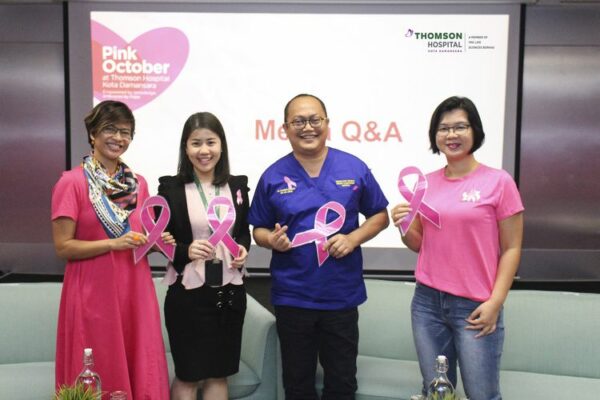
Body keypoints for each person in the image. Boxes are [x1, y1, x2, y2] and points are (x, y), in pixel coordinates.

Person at [249, 94, 389, 400]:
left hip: (340, 297)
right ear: (285, 128)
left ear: (327, 124)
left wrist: (353, 238)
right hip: (293, 297)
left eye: (314, 120)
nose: (307, 127)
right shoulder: (273, 176)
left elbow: (380, 215)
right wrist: (270, 240)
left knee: (341, 384)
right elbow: (257, 228)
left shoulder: (354, 167)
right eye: (298, 121)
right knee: (297, 386)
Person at [390, 96, 524, 400]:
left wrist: (495, 302)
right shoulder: (426, 184)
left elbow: (512, 248)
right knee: (437, 392)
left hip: (476, 306)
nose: (451, 135)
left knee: (482, 394)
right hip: (427, 303)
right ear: (434, 136)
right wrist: (403, 226)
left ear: (474, 130)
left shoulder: (498, 182)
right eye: (443, 128)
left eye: (460, 127)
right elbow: (421, 245)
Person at [51, 100, 170, 398]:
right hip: (92, 292)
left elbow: (137, 238)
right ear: (93, 134)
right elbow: (63, 246)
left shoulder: (139, 183)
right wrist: (112, 244)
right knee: (98, 365)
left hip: (135, 289)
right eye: (110, 129)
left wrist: (157, 243)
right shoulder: (72, 182)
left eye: (126, 132)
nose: (118, 138)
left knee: (140, 363)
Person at [158, 112, 250, 400]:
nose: (204, 150)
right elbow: (161, 242)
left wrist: (244, 249)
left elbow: (243, 231)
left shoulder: (237, 185)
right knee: (188, 374)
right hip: (188, 293)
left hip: (229, 292)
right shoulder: (170, 188)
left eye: (211, 142)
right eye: (196, 143)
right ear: (186, 148)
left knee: (218, 373)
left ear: (221, 145)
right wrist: (186, 250)